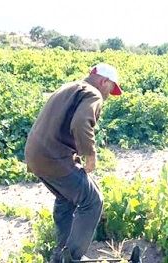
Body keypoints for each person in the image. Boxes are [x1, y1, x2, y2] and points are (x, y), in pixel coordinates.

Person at [24, 63, 122, 262]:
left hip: (36, 156)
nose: (109, 96)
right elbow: (80, 122)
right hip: (54, 158)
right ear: (104, 82)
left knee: (66, 199)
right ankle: (72, 257)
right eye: (111, 90)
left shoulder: (69, 87)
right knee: (93, 200)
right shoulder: (93, 94)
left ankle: (60, 254)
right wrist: (90, 154)